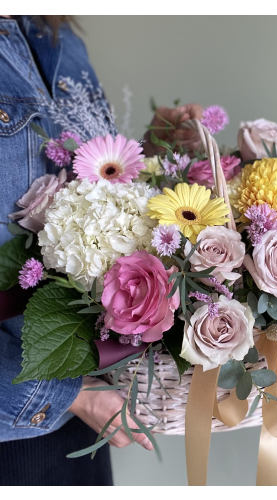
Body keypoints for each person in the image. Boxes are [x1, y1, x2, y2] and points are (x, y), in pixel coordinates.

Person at [0, 15, 202, 486]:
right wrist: (67, 393)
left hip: (78, 403)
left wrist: (148, 158)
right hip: (27, 412)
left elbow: (78, 190)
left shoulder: (53, 32)